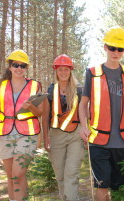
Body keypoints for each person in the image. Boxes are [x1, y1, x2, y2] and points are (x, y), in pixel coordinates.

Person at [79, 26, 124, 201]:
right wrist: (84, 126)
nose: (116, 52)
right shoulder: (92, 73)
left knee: (119, 187)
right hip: (98, 139)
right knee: (102, 185)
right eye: (112, 48)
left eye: (120, 49)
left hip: (122, 140)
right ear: (105, 47)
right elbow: (83, 104)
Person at [0, 49, 43, 201]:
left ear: (26, 68)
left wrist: (31, 107)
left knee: (18, 174)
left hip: (27, 135)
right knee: (11, 177)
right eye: (15, 65)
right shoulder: (1, 85)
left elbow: (39, 113)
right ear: (9, 67)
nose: (19, 68)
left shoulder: (35, 86)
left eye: (22, 66)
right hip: (4, 133)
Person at [42, 54, 84, 201]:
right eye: (60, 69)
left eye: (66, 69)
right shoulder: (51, 90)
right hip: (56, 135)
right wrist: (45, 137)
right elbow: (45, 115)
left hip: (75, 135)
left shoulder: (79, 90)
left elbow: (84, 112)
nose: (63, 72)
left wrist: (86, 130)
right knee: (60, 175)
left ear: (71, 70)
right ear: (56, 71)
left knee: (71, 174)